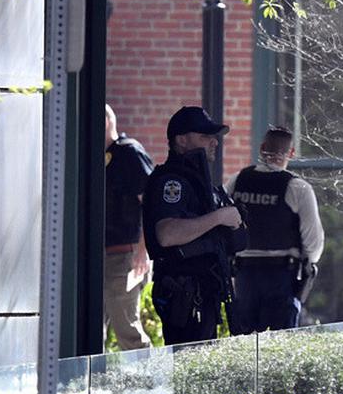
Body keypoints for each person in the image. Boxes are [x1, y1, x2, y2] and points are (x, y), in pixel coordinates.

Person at [142, 105, 245, 345]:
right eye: (205, 136)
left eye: (214, 137)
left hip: (206, 292)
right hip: (184, 293)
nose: (214, 143)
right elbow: (166, 234)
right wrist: (219, 217)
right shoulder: (172, 182)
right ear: (181, 140)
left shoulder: (201, 183)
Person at [226, 127, 324, 333]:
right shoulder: (298, 188)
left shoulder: (237, 181)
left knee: (242, 345)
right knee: (278, 346)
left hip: (244, 276)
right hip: (281, 277)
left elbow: (223, 226)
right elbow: (313, 244)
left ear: (262, 148)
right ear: (291, 153)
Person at [103, 105, 155, 349]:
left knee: (128, 329)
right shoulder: (94, 157)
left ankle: (148, 384)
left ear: (104, 122)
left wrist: (143, 251)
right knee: (92, 331)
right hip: (97, 258)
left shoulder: (128, 154)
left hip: (124, 256)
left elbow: (152, 204)